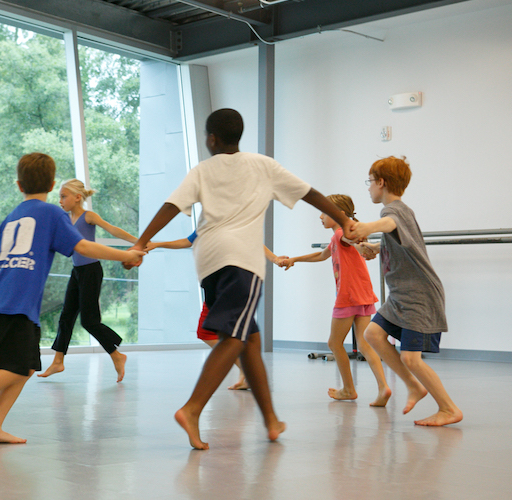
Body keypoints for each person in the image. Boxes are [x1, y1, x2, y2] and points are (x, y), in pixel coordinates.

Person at [129, 108, 355, 449]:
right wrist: (344, 219)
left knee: (249, 339)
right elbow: (310, 193)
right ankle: (192, 408)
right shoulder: (263, 165)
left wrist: (141, 242)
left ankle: (271, 420)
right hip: (241, 261)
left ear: (211, 139)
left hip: (208, 262)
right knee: (235, 336)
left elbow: (171, 206)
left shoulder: (202, 170)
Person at [0, 153, 144, 443]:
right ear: (51, 185)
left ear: (19, 185)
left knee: (25, 368)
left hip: (2, 302)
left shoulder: (11, 218)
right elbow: (83, 247)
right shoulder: (51, 214)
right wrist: (125, 255)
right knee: (17, 368)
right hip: (18, 304)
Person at [350, 156, 462, 426]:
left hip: (417, 295)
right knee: (373, 334)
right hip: (400, 295)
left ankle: (449, 409)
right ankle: (413, 386)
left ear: (381, 182)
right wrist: (375, 248)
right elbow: (400, 241)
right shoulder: (402, 212)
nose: (368, 187)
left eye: (370, 181)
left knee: (411, 358)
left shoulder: (393, 211)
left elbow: (390, 224)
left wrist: (367, 228)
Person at [283, 194, 390, 406]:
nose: (320, 216)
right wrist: (294, 259)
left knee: (334, 342)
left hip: (348, 295)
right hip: (363, 294)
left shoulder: (341, 233)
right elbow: (322, 255)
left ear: (339, 214)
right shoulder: (337, 237)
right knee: (364, 344)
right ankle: (383, 387)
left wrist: (364, 245)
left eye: (324, 212)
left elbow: (351, 241)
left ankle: (349, 389)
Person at [147, 235, 290, 390]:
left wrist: (274, 258)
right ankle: (247, 371)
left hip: (227, 284)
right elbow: (187, 241)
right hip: (214, 285)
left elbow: (252, 241)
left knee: (216, 332)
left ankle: (248, 371)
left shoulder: (227, 227)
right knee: (215, 332)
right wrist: (158, 244)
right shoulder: (207, 226)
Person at [38, 179, 137, 382]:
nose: (60, 200)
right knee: (66, 317)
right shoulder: (66, 219)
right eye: (59, 197)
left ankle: (116, 355)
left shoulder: (88, 216)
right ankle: (58, 361)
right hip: (77, 271)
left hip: (91, 271)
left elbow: (113, 230)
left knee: (89, 321)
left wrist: (139, 242)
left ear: (77, 197)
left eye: (63, 196)